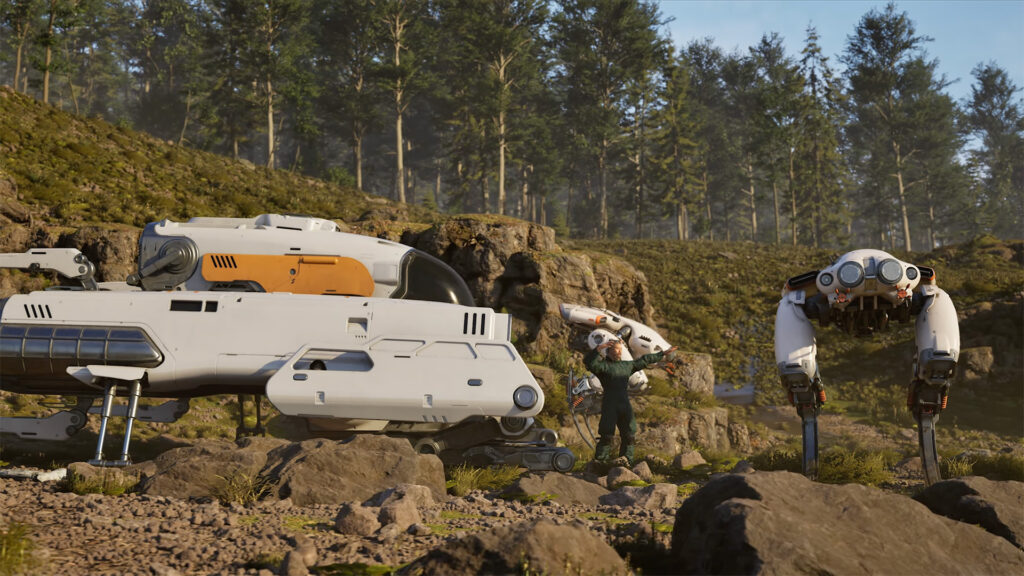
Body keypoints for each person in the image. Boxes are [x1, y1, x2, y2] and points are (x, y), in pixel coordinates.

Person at [584, 339, 676, 465]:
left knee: (630, 435)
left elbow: (644, 360)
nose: (619, 352)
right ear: (609, 350)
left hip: (624, 404)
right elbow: (589, 362)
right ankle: (600, 462)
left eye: (621, 349)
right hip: (610, 404)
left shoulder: (627, 365)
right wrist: (599, 348)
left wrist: (662, 354)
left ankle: (626, 461)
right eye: (616, 349)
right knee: (606, 436)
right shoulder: (603, 366)